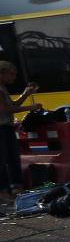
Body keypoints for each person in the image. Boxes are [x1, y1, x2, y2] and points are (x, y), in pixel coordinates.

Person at [0, 61, 42, 203]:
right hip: (1, 128)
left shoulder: (3, 88)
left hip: (7, 127)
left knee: (13, 158)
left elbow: (12, 105)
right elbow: (5, 109)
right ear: (2, 74)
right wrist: (30, 107)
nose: (14, 77)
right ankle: (4, 191)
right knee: (3, 160)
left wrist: (25, 94)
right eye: (11, 74)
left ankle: (17, 188)